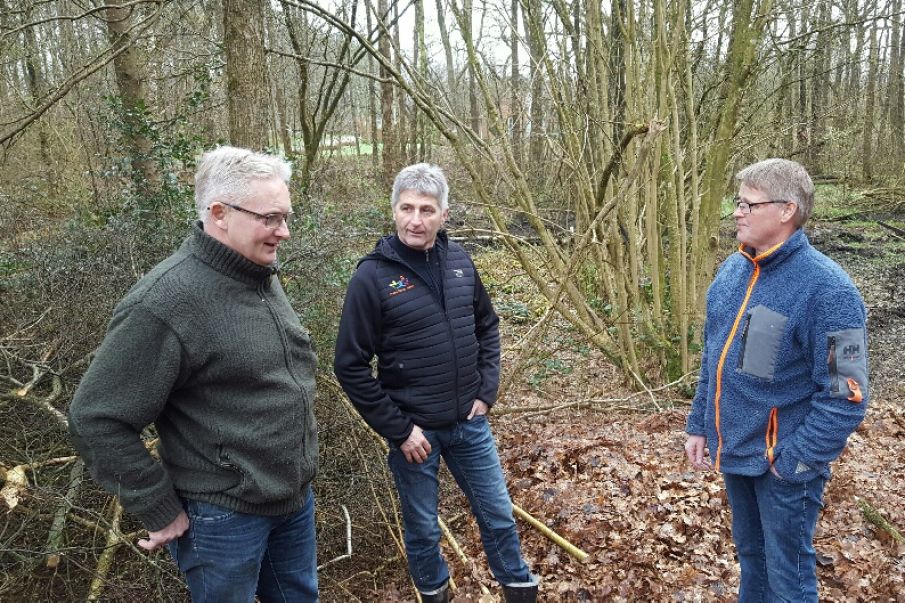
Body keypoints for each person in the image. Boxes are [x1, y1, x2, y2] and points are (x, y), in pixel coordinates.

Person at [68, 146, 319, 602]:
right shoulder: (165, 303)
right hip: (223, 519)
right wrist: (157, 507)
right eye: (271, 218)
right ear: (220, 213)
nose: (283, 231)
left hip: (291, 503)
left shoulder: (258, 273)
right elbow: (95, 417)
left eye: (286, 216)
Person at [334, 163, 538, 603]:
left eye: (427, 209)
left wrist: (488, 390)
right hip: (416, 435)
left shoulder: (461, 262)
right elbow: (349, 365)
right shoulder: (372, 276)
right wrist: (399, 430)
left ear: (444, 215)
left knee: (499, 517)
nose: (415, 219)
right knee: (424, 530)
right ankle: (434, 594)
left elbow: (487, 326)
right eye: (406, 207)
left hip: (470, 425)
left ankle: (519, 590)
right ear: (393, 211)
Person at [685, 158, 869, 602]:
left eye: (748, 204)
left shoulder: (830, 290)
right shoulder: (733, 272)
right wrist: (698, 424)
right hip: (736, 452)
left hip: (784, 465)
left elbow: (848, 393)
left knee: (789, 578)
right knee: (752, 560)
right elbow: (717, 359)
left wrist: (795, 463)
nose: (737, 212)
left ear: (786, 210)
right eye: (738, 202)